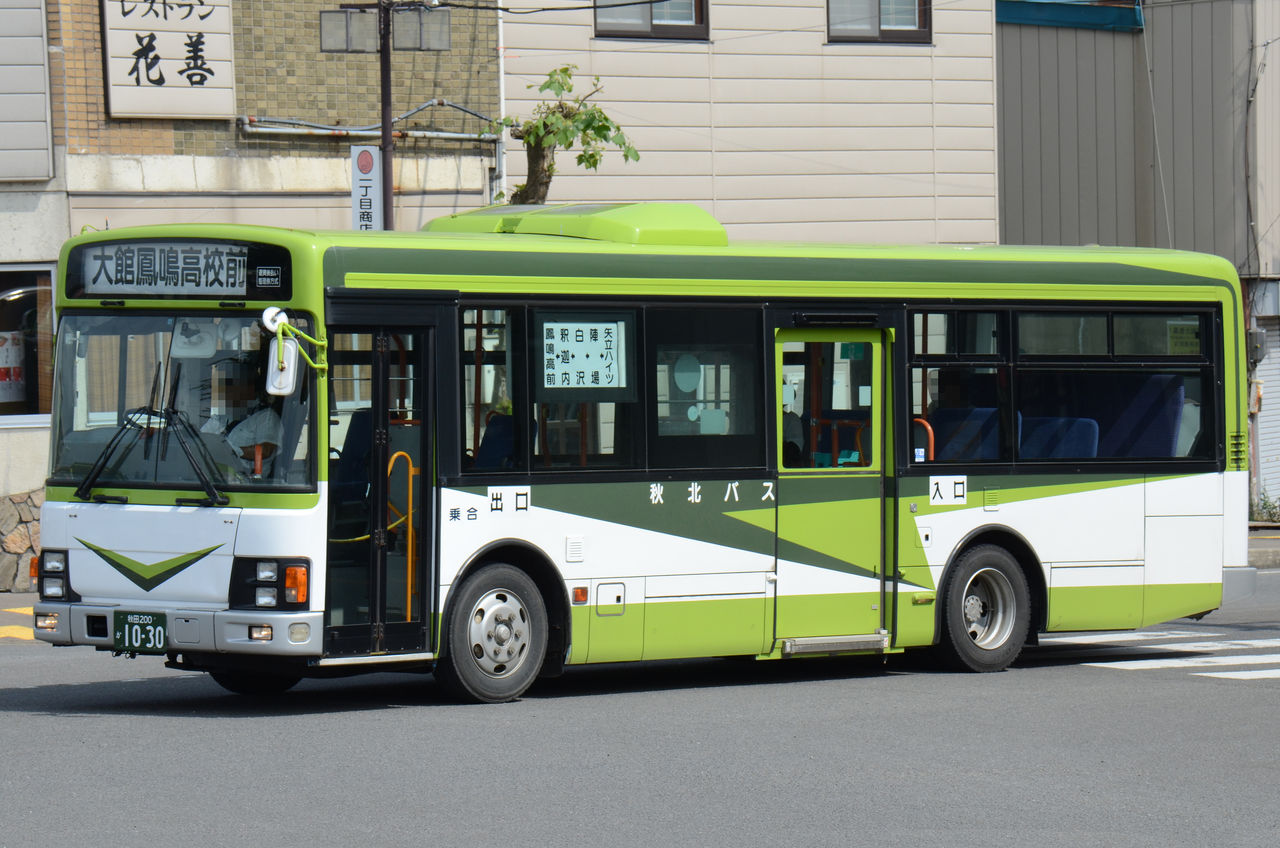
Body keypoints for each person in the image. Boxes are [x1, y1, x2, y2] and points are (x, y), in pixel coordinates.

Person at [201, 359, 282, 476]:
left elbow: (266, 450)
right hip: (213, 477)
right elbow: (200, 440)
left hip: (248, 482)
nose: (225, 391)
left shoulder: (266, 417)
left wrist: (231, 452)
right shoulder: (221, 418)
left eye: (231, 385)